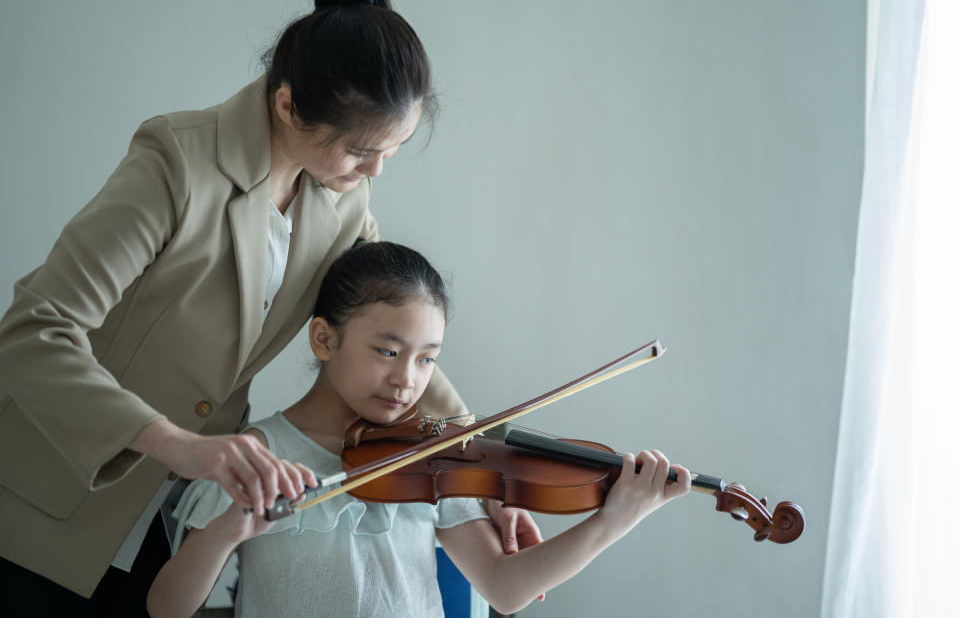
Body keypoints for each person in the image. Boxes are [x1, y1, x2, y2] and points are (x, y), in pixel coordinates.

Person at [0, 0, 538, 614]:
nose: (376, 172)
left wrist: (484, 469)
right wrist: (177, 443)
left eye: (391, 151)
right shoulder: (178, 160)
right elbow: (33, 334)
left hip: (173, 516)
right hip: (50, 502)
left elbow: (403, 340)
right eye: (363, 151)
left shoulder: (340, 201)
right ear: (287, 105)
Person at [146, 241, 693, 618]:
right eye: (387, 351)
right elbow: (165, 608)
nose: (407, 380)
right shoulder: (255, 456)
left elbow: (506, 588)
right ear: (324, 340)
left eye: (427, 360)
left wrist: (615, 519)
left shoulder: (429, 460)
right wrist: (225, 532)